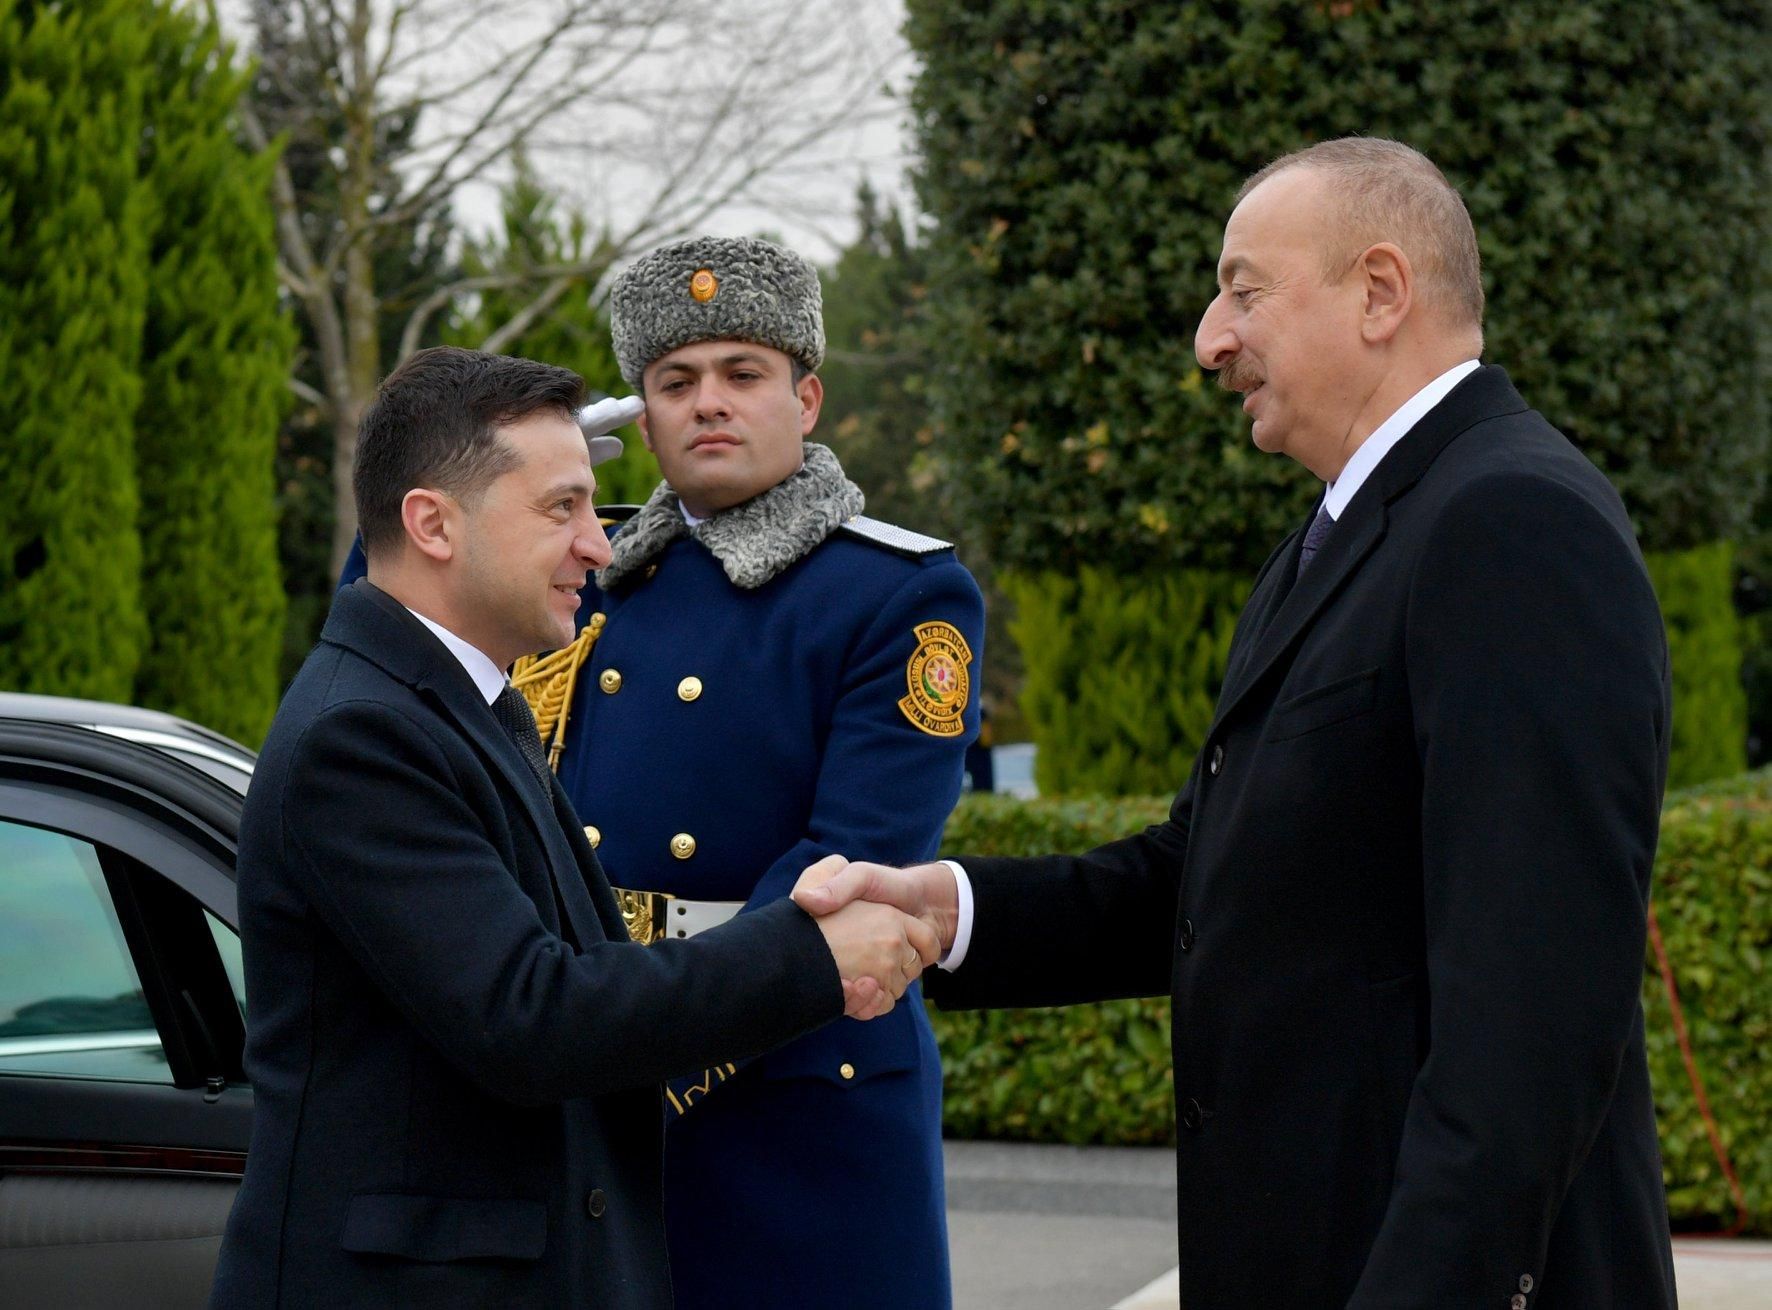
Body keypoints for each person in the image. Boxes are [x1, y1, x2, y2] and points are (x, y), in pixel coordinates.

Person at [799, 138, 1677, 1308]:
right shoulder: (1339, 536)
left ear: (1378, 292)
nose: (1211, 338)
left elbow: (1533, 1014)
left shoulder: (1506, 518)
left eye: (1242, 289)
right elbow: (1209, 876)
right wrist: (948, 908)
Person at [212, 347, 935, 1308]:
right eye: (563, 509)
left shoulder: (462, 700)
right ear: (431, 523)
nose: (600, 545)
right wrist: (813, 957)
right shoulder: (366, 735)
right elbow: (531, 1015)